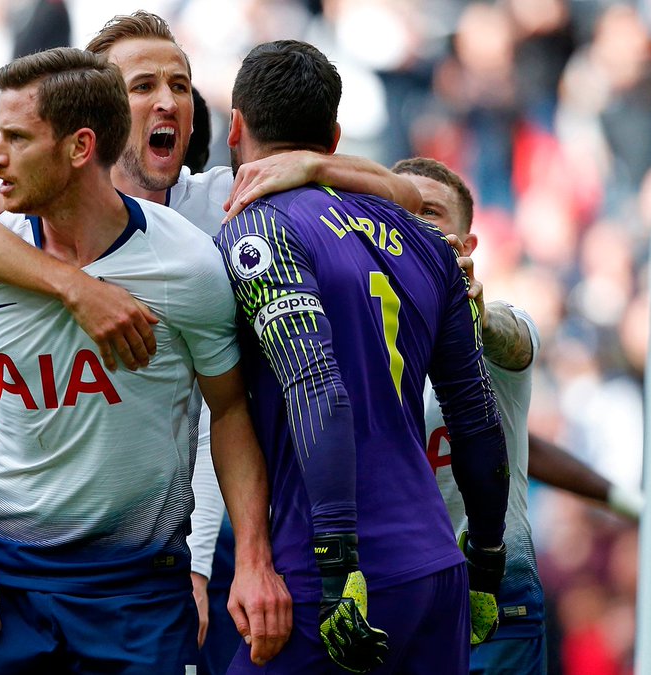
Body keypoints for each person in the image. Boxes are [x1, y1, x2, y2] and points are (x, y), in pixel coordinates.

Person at [0, 10, 421, 665]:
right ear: (89, 125)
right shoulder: (9, 201)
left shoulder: (214, 217)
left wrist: (314, 171)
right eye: (143, 84)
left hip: (148, 562)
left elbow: (225, 410)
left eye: (179, 84)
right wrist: (77, 287)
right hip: (9, 562)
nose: (169, 100)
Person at [0, 47, 291, 673]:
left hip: (137, 587)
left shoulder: (188, 265)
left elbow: (228, 412)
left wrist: (252, 560)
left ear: (79, 147)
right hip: (5, 580)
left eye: (15, 138)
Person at [214, 40, 510, 674]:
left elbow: (317, 387)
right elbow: (477, 415)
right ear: (336, 134)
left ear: (235, 125)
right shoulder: (427, 241)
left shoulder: (255, 226)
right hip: (439, 570)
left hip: (334, 573)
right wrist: (487, 560)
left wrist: (338, 568)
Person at [395, 155, 644, 674]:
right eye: (401, 208)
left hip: (498, 598)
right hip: (398, 593)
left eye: (432, 212)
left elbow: (510, 341)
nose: (415, 222)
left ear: (467, 244)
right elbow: (516, 446)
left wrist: (474, 315)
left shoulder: (502, 332)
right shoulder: (362, 335)